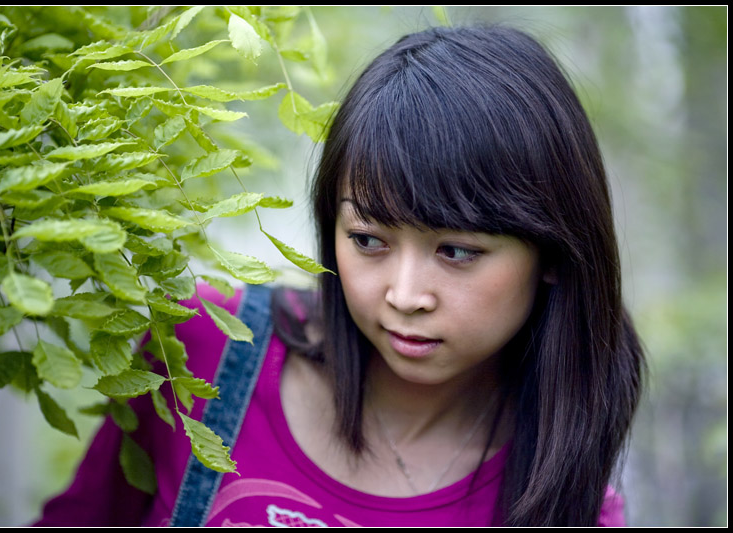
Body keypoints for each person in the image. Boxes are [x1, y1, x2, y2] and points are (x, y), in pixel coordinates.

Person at [34, 24, 645, 527]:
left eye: (457, 251)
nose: (404, 296)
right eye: (368, 240)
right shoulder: (201, 354)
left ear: (555, 258)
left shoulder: (562, 499)